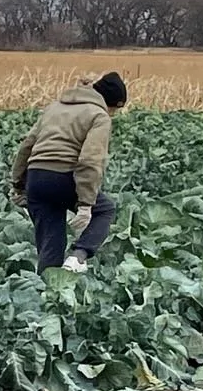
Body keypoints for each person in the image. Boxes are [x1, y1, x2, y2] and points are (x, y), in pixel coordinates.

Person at [10, 71, 127, 273]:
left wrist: (18, 185)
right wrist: (85, 204)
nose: (112, 115)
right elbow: (90, 160)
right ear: (111, 103)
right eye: (114, 110)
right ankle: (78, 258)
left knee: (49, 247)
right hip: (63, 177)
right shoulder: (99, 116)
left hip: (37, 179)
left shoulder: (53, 108)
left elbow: (27, 146)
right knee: (105, 210)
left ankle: (48, 293)